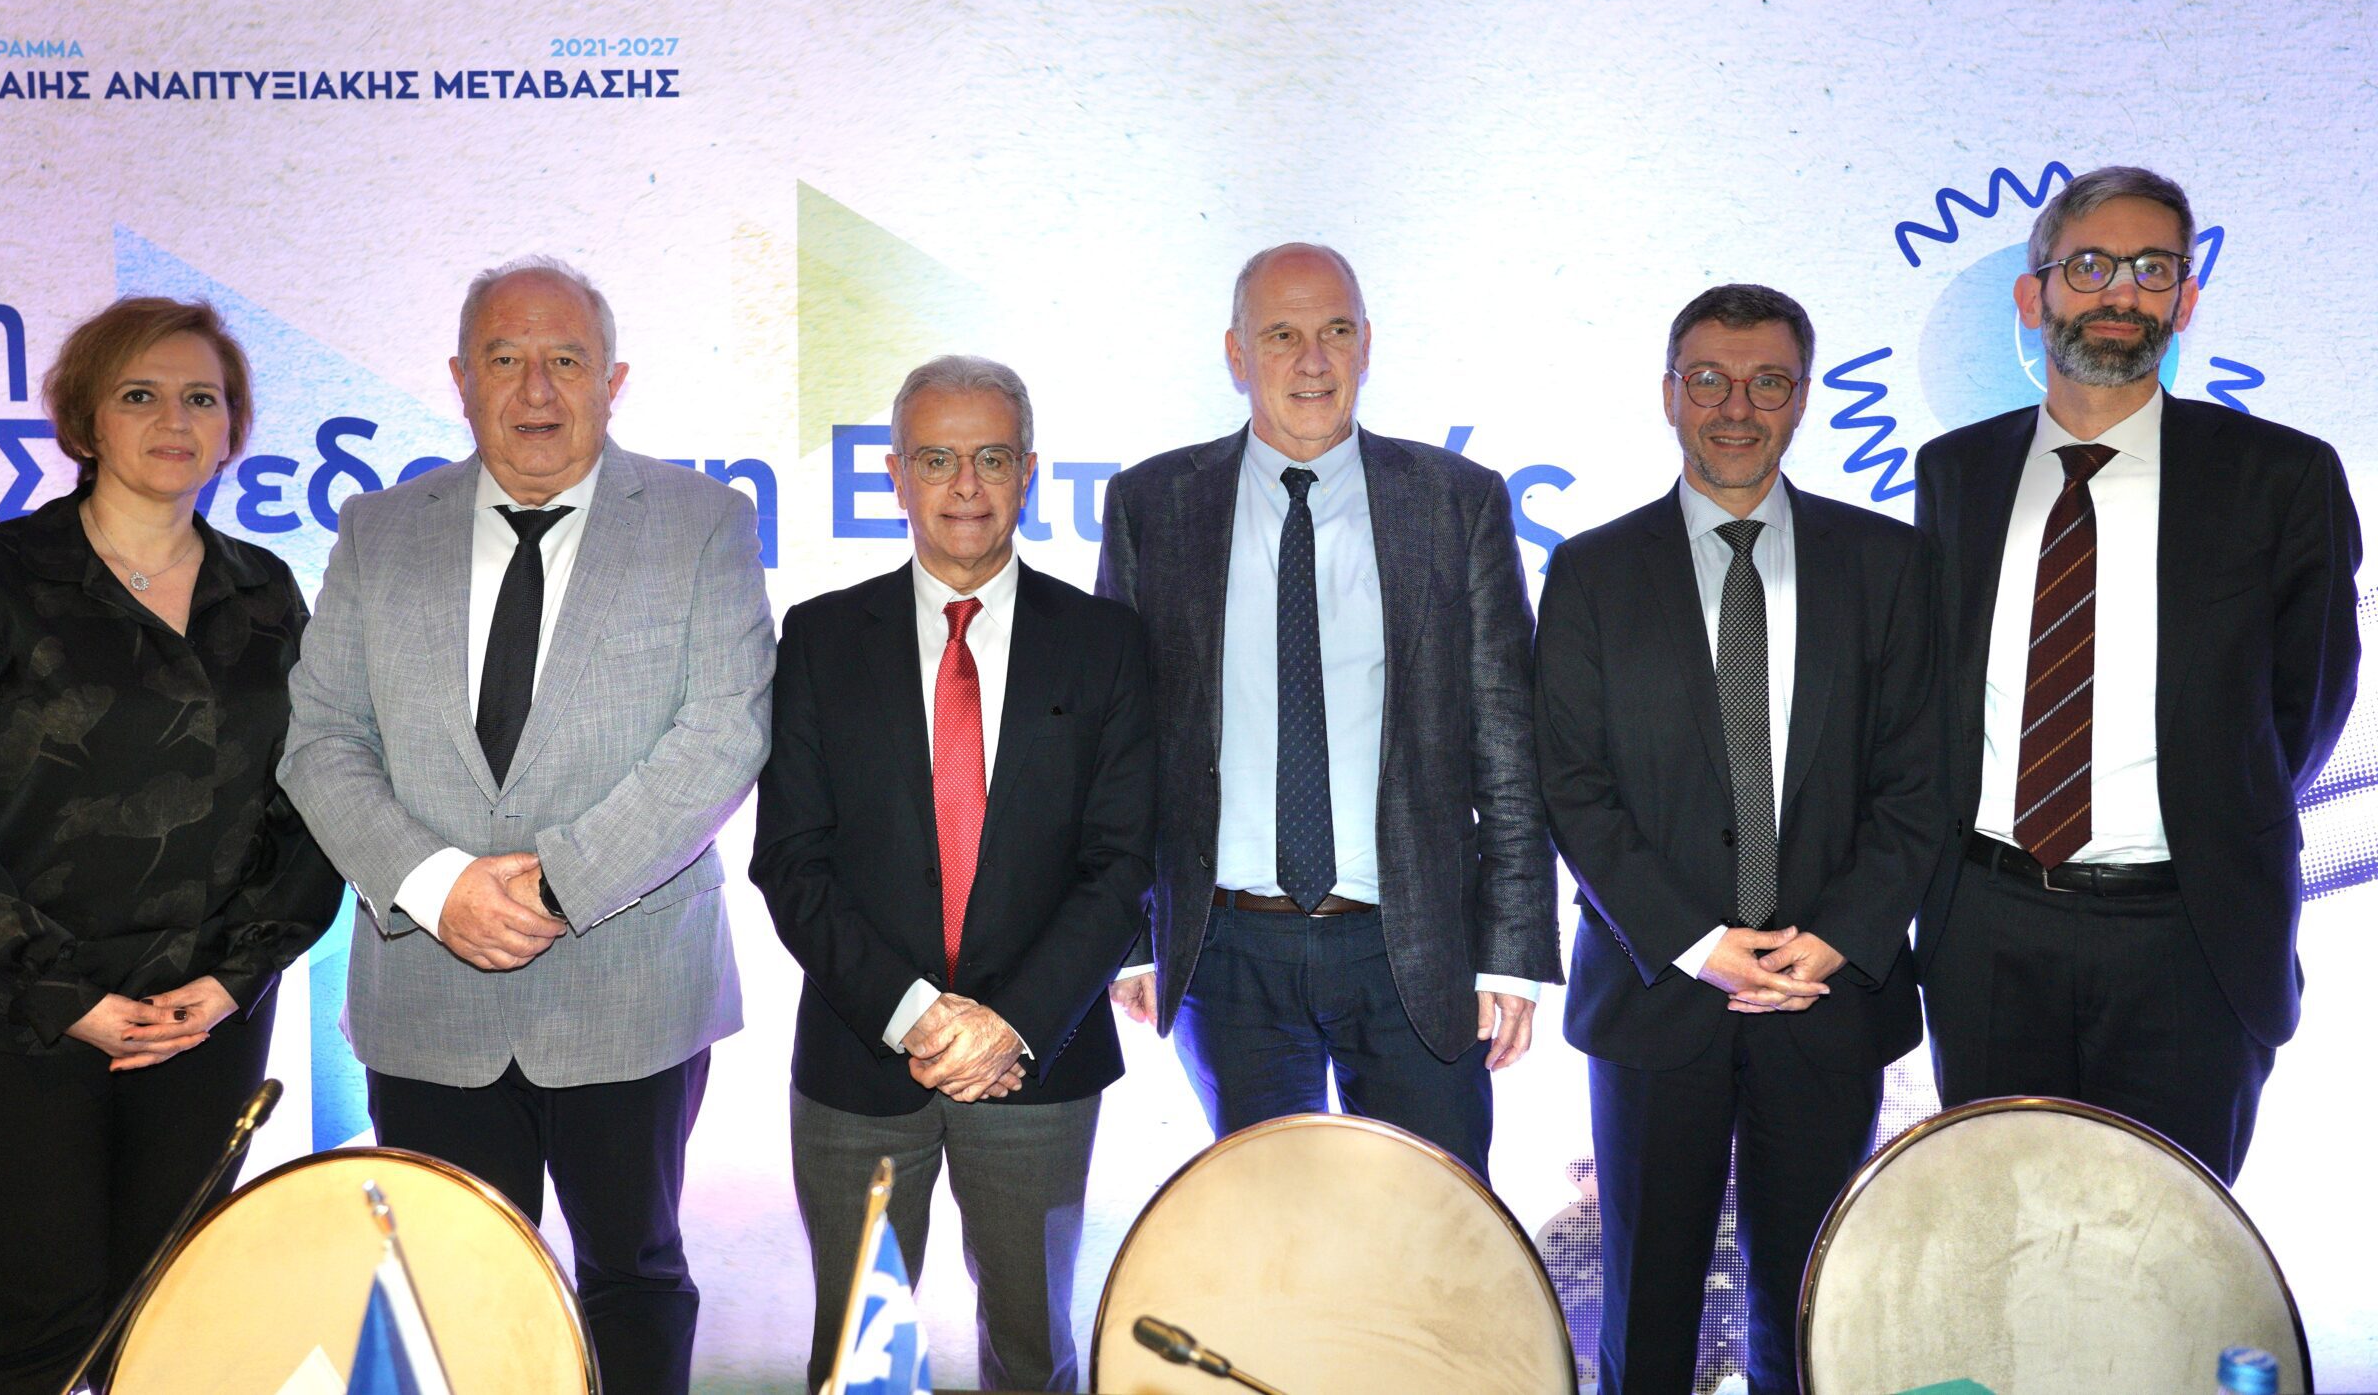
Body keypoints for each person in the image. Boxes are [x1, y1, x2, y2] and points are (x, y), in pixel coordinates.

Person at [280, 257, 774, 1394]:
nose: (536, 389)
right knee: (445, 1292)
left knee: (634, 1276)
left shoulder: (703, 523)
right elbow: (322, 740)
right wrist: (435, 887)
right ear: (461, 379)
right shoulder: (378, 530)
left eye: (565, 360)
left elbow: (722, 735)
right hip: (429, 994)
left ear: (614, 380)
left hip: (629, 991)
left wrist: (553, 887)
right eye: (505, 359)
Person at [0, 297, 342, 1395]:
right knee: (28, 1338)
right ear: (84, 421)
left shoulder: (266, 594)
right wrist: (58, 991)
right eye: (140, 395)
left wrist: (237, 976)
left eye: (201, 397)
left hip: (192, 1029)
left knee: (163, 1339)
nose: (174, 419)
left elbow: (316, 794)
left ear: (232, 426)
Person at [1534, 283, 1947, 1395]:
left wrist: (1839, 935)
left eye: (1768, 384)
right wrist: (1694, 942)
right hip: (1655, 992)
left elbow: (1920, 780)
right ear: (1669, 393)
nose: (1736, 408)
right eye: (1709, 380)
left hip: (1826, 995)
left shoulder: (1888, 564)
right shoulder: (1592, 571)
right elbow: (1572, 787)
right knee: (1646, 1314)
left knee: (1810, 1313)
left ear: (1801, 399)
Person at [1914, 166, 2359, 1184]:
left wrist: (2206, 813)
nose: (2121, 291)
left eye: (2153, 269)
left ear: (2184, 301)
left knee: (2167, 1243)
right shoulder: (1955, 473)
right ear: (2032, 294)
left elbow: (2307, 702)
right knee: (1999, 1232)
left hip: (2189, 937)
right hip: (1987, 931)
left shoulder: (2282, 477)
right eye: (2090, 265)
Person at [1095, 241, 1558, 1178]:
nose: (1313, 359)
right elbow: (1120, 746)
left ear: (1367, 345)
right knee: (1267, 1232)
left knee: (1436, 1222)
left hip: (1412, 947)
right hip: (1227, 953)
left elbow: (1508, 743)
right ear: (1236, 353)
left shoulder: (1456, 501)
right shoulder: (1154, 504)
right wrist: (1130, 938)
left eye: (1336, 331)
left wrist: (1512, 951)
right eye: (1282, 335)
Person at [752, 355, 1153, 1393]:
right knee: (856, 1360)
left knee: (1032, 1352)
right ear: (895, 474)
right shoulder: (820, 637)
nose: (964, 485)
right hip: (858, 1063)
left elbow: (1122, 865)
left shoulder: (1106, 642)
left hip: (1037, 1066)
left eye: (991, 459)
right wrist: (918, 1018)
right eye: (936, 459)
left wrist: (1008, 1024)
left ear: (1029, 472)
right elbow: (789, 861)